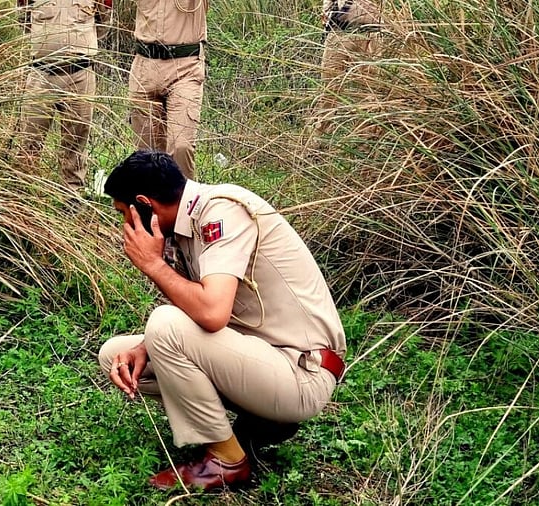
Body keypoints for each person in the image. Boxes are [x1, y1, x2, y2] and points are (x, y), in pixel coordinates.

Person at [98, 150, 346, 491]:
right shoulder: (186, 226)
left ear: (145, 204)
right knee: (117, 355)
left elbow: (212, 314)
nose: (125, 225)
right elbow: (203, 310)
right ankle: (260, 422)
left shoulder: (222, 211)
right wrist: (146, 345)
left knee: (165, 323)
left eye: (125, 213)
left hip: (301, 374)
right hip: (263, 358)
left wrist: (153, 265)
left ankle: (227, 461)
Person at [15, 0, 112, 190]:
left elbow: (103, 23)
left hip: (79, 74)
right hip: (41, 74)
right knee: (30, 139)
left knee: (76, 141)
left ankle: (72, 195)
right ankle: (23, 197)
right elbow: (24, 20)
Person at [125, 0, 207, 179]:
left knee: (181, 146)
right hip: (144, 66)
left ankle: (183, 203)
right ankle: (151, 205)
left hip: (185, 67)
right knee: (147, 153)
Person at [313, 0, 384, 135]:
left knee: (368, 89)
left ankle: (366, 138)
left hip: (369, 31)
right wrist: (328, 11)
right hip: (339, 31)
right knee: (329, 86)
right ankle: (321, 134)